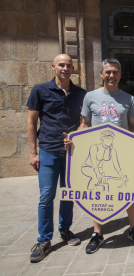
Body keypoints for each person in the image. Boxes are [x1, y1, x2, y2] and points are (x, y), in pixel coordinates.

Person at [77, 58, 134, 254]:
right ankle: (97, 233)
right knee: (96, 192)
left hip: (122, 153)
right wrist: (74, 141)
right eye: (108, 72)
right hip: (96, 153)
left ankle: (133, 228)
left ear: (120, 74)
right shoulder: (90, 97)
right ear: (101, 74)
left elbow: (133, 126)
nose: (111, 75)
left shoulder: (128, 99)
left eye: (115, 72)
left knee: (129, 190)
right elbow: (84, 124)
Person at [27, 54, 86, 263]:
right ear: (54, 67)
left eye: (69, 65)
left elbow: (85, 121)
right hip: (48, 150)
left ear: (73, 69)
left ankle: (65, 230)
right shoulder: (40, 90)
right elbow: (32, 122)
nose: (65, 68)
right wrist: (33, 153)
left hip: (72, 152)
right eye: (61, 65)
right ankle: (44, 239)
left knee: (68, 194)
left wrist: (76, 134)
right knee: (46, 196)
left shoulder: (81, 93)